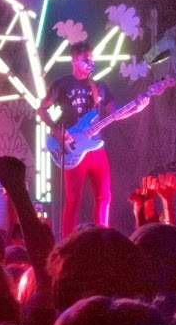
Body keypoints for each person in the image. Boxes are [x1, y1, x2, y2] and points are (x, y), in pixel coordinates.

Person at [37, 41, 149, 237]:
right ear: (74, 60)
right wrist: (56, 130)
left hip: (96, 147)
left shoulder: (99, 87)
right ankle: (68, 242)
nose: (91, 63)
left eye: (92, 59)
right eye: (86, 60)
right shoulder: (62, 84)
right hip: (72, 146)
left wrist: (136, 109)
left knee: (104, 196)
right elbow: (41, 109)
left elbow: (116, 113)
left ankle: (103, 238)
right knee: (73, 200)